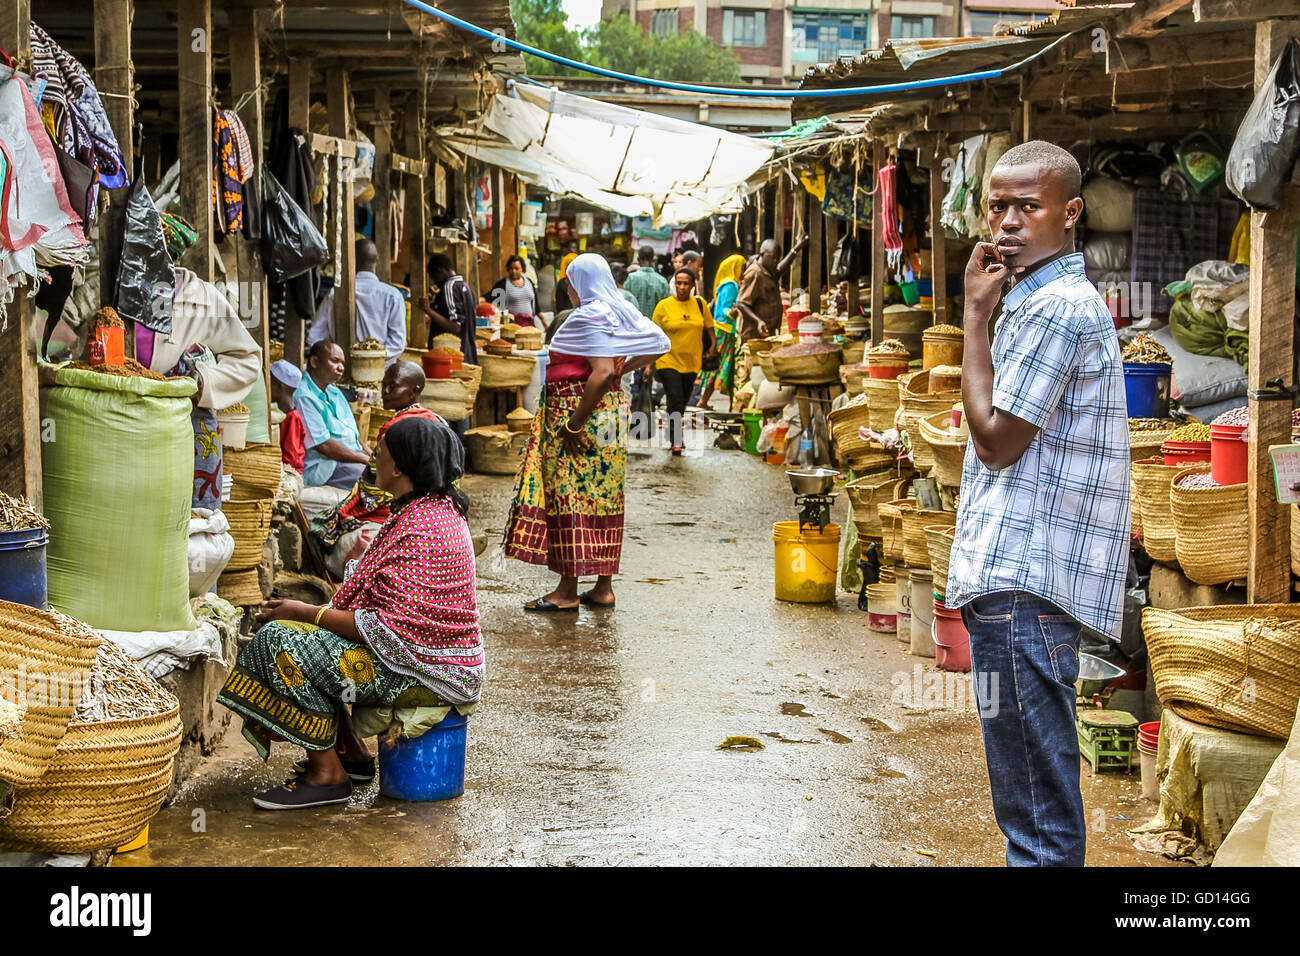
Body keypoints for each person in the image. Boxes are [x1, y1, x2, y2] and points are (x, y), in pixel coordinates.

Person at [945, 140, 1130, 867]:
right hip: (1016, 591)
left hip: (1025, 590)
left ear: (1071, 213)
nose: (1010, 222)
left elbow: (995, 441)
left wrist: (971, 317)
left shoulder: (1054, 309)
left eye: (1029, 206)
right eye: (999, 206)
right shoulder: (1038, 302)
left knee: (1036, 821)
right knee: (1029, 800)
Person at [217, 417, 483, 810]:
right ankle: (353, 755)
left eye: (383, 451)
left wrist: (307, 612)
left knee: (279, 642)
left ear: (401, 466)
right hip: (423, 662)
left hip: (427, 671)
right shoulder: (425, 510)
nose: (374, 457)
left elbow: (384, 630)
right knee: (300, 636)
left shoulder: (426, 526)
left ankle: (328, 775)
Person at [504, 253, 669, 612]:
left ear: (578, 284)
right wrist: (623, 368)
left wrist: (575, 422)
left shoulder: (591, 314)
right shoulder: (617, 311)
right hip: (607, 415)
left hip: (581, 415)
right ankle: (603, 587)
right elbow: (657, 343)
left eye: (571, 284)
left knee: (571, 498)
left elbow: (601, 371)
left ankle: (566, 592)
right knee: (604, 497)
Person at [314, 361, 443, 578]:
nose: (385, 391)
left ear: (415, 392)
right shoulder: (437, 421)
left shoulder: (394, 430)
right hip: (433, 509)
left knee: (324, 525)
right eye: (384, 385)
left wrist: (344, 512)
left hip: (394, 511)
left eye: (393, 386)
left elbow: (373, 490)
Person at [650, 269, 715, 455]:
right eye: (679, 283)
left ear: (693, 285)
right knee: (675, 398)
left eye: (686, 283)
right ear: (674, 284)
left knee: (684, 399)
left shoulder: (700, 304)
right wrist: (648, 364)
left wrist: (712, 347)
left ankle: (674, 433)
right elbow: (653, 335)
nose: (682, 287)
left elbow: (709, 327)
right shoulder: (663, 306)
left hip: (692, 362)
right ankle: (675, 440)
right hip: (667, 360)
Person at [296, 340, 370, 489]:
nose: (341, 368)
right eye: (335, 361)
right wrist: (365, 459)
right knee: (375, 482)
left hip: (351, 458)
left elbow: (353, 436)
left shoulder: (334, 392)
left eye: (342, 362)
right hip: (327, 466)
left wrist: (372, 455)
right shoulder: (304, 396)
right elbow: (324, 445)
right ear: (315, 362)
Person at [735, 236, 808, 344]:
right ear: (762, 254)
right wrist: (758, 321)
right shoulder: (755, 273)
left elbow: (781, 268)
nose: (775, 261)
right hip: (754, 336)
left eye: (777, 258)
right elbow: (741, 303)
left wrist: (795, 249)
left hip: (767, 334)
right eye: (773, 257)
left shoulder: (769, 271)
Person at [697, 254, 746, 410]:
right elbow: (722, 310)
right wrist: (733, 312)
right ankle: (704, 401)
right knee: (719, 367)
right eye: (742, 267)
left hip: (725, 331)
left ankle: (707, 401)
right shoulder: (730, 286)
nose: (744, 271)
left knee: (724, 368)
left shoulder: (729, 284)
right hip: (724, 332)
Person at [418, 253, 478, 365]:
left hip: (452, 359)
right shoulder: (465, 287)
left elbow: (455, 327)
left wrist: (428, 310)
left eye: (433, 277)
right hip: (467, 355)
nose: (434, 282)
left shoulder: (449, 287)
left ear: (440, 271)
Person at [270, 359, 307, 474]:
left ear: (280, 386)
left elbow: (290, 457)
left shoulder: (292, 418)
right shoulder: (282, 413)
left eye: (270, 381)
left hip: (290, 471)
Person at [488, 254, 540, 327]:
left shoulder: (529, 283)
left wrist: (544, 323)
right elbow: (491, 300)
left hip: (529, 324)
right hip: (511, 325)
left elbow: (536, 306)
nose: (513, 271)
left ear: (522, 269)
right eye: (511, 268)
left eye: (516, 268)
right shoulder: (503, 284)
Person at [624, 245, 669, 319]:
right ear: (653, 260)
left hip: (635, 323)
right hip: (655, 325)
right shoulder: (662, 281)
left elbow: (625, 302)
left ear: (638, 259)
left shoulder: (630, 279)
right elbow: (666, 307)